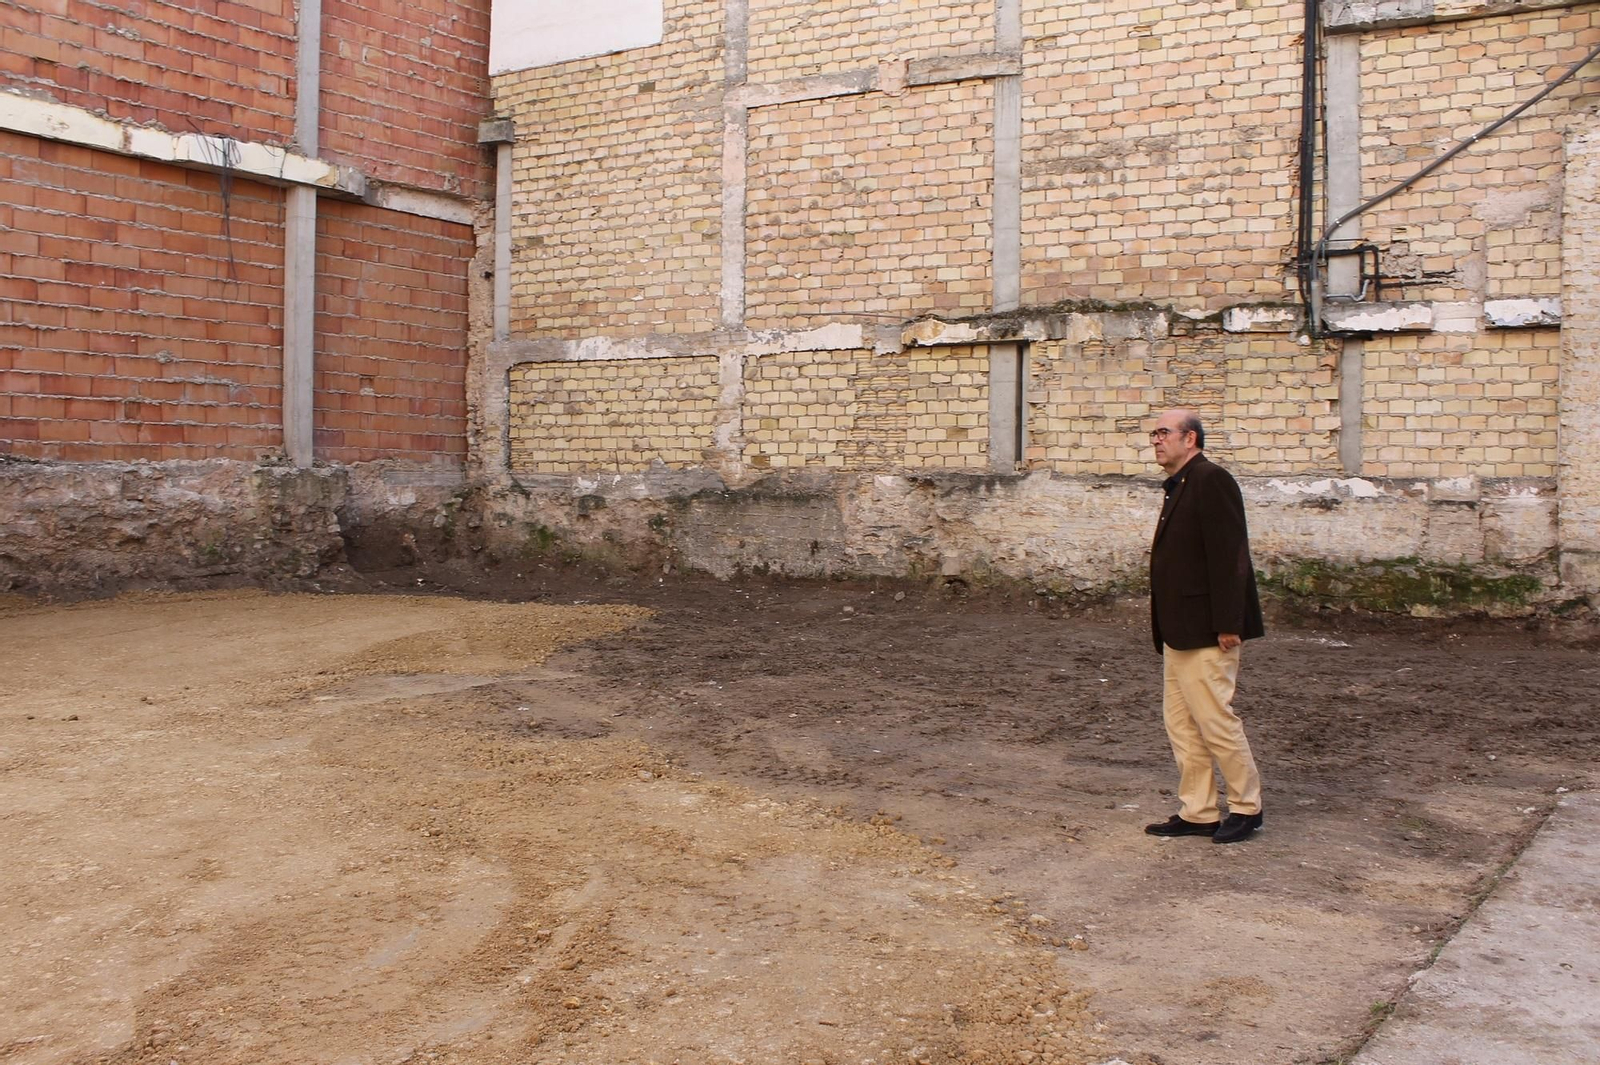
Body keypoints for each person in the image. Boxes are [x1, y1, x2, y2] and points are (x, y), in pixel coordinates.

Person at [1142, 409, 1265, 844]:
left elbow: (1230, 555)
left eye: (1163, 432)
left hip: (1209, 631)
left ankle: (1247, 808)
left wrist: (1229, 623)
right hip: (1178, 630)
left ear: (1190, 438)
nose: (1155, 440)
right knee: (1181, 724)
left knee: (1215, 721)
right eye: (1153, 433)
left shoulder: (1212, 480)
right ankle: (1199, 811)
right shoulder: (1180, 484)